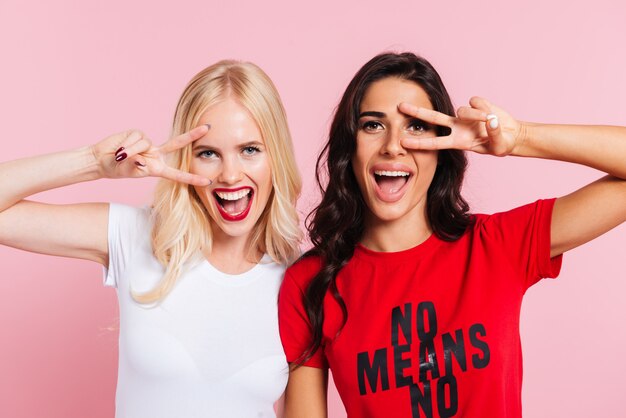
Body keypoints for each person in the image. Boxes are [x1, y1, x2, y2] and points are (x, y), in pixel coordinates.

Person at [278, 52, 626, 418]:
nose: (393, 145)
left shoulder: (496, 246)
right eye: (372, 125)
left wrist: (519, 138)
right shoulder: (310, 284)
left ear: (441, 149)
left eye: (415, 127)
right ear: (350, 147)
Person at [0, 60, 301, 418]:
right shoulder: (135, 236)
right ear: (186, 161)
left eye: (250, 149)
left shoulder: (298, 279)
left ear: (275, 156)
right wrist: (95, 162)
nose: (230, 174)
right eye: (208, 153)